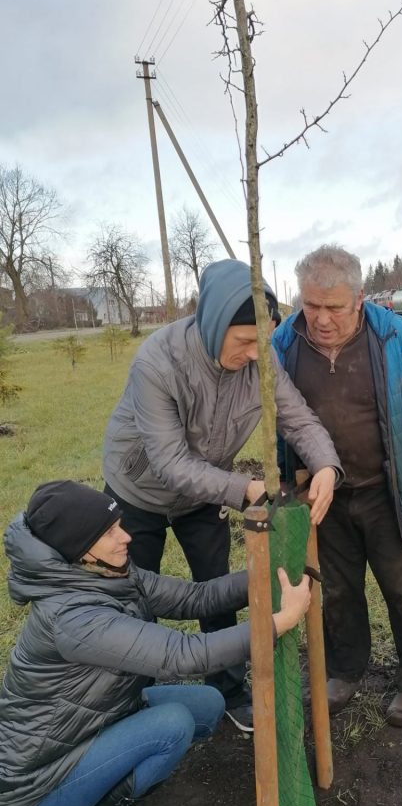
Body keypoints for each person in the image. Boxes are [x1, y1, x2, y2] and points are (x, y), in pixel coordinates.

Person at [0, 480, 312, 806]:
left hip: (90, 726)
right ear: (79, 550)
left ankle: (115, 777)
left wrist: (266, 573)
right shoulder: (72, 618)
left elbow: (193, 598)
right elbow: (183, 656)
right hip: (42, 782)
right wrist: (277, 623)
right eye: (110, 532)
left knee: (208, 705)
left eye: (118, 525)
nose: (126, 536)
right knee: (173, 724)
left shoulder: (108, 573)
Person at [103, 259, 341, 733]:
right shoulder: (158, 362)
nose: (256, 354)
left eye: (263, 340)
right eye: (244, 341)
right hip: (137, 493)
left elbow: (297, 418)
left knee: (215, 589)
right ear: (214, 327)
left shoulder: (263, 358)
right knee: (132, 597)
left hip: (205, 493)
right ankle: (132, 699)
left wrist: (326, 466)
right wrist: (245, 489)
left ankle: (227, 689)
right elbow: (169, 463)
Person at [272, 245, 402, 727]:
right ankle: (346, 670)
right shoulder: (285, 342)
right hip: (323, 495)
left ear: (359, 298)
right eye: (311, 305)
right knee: (338, 590)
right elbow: (279, 419)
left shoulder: (397, 335)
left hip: (387, 489)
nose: (321, 319)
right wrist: (288, 476)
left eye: (334, 307)